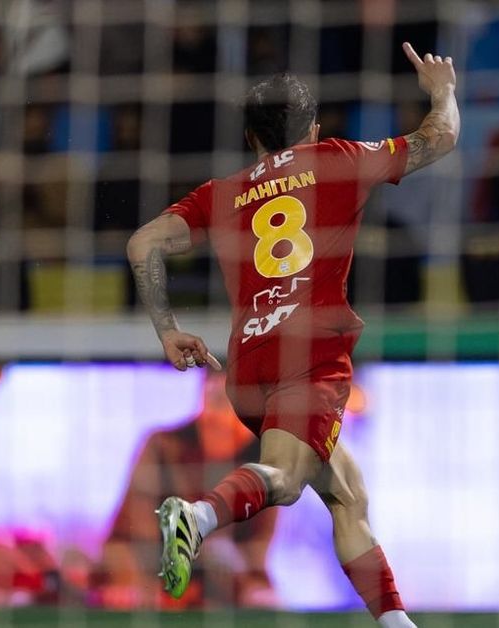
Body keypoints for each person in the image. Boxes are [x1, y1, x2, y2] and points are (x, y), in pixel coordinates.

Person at [126, 43, 459, 627]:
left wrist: (168, 329)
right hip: (312, 353)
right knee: (285, 479)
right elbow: (440, 138)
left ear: (252, 139)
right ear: (312, 127)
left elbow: (142, 244)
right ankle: (197, 517)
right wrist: (443, 93)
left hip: (248, 365)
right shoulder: (334, 158)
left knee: (348, 496)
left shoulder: (220, 193)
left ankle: (397, 623)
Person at [91, 373, 277, 609]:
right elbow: (134, 539)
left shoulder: (265, 462)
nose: (221, 417)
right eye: (216, 399)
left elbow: (257, 552)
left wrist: (248, 586)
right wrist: (139, 586)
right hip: (152, 584)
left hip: (225, 592)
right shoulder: (162, 446)